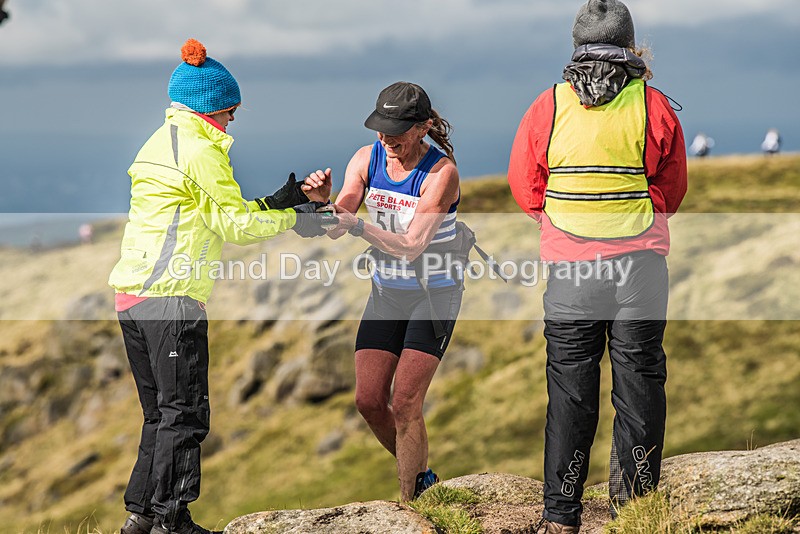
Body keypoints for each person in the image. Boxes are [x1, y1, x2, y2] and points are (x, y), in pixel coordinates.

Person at [109, 39, 332, 534]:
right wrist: (296, 219)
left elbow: (214, 211)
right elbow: (233, 226)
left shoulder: (161, 141)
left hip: (135, 296)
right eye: (231, 111)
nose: (233, 120)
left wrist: (279, 201)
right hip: (171, 297)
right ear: (212, 108)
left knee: (160, 417)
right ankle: (173, 520)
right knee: (185, 414)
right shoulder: (200, 150)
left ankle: (141, 518)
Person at [507, 1, 687, 532]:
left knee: (570, 391)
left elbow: (525, 187)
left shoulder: (549, 107)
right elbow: (671, 193)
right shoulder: (655, 106)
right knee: (639, 386)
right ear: (630, 49)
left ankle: (562, 514)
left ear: (576, 49)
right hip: (640, 269)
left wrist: (563, 224)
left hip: (571, 271)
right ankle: (632, 513)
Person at [329, 81, 463, 501]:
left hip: (433, 295)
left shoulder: (442, 175)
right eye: (381, 129)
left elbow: (411, 247)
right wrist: (324, 207)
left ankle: (409, 504)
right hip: (387, 294)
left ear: (422, 128)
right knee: (369, 401)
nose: (386, 139)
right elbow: (344, 210)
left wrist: (358, 227)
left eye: (396, 130)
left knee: (405, 403)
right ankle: (422, 475)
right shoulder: (365, 158)